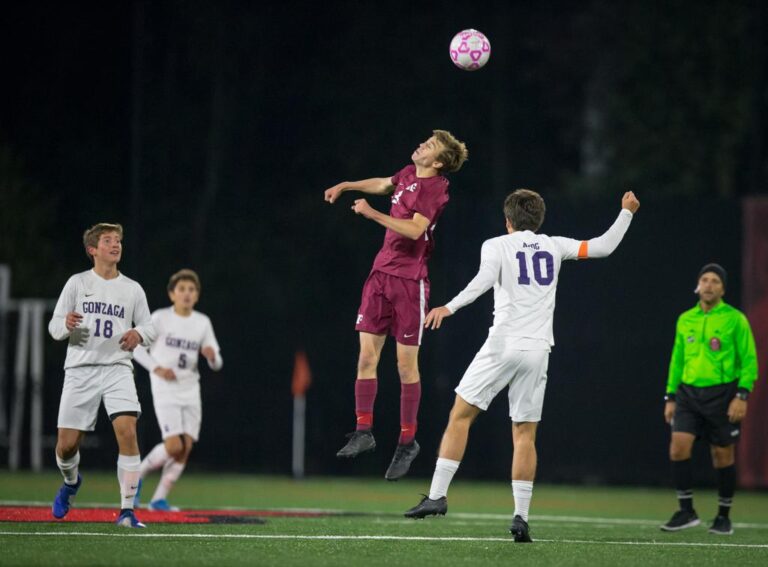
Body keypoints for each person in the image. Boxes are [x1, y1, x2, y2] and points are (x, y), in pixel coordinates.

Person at [403, 189, 640, 543]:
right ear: (538, 219)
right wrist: (626, 213)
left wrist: (448, 307)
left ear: (508, 220)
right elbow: (603, 246)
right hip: (538, 349)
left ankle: (437, 495)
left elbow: (482, 282)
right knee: (525, 434)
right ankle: (521, 518)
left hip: (502, 344)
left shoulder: (496, 245)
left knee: (460, 416)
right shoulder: (555, 245)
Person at [324, 130, 469, 480]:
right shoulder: (407, 173)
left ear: (437, 162)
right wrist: (347, 184)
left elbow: (416, 230)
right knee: (365, 357)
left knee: (405, 366)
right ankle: (364, 431)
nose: (421, 144)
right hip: (380, 275)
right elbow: (384, 184)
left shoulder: (438, 189)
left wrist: (372, 215)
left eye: (429, 146)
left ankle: (407, 441)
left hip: (410, 281)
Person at [48, 222, 156, 528]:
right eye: (108, 240)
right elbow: (54, 326)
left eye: (118, 240)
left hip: (118, 369)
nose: (116, 245)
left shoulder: (132, 288)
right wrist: (65, 324)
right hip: (80, 371)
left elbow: (150, 326)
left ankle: (127, 512)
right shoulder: (77, 283)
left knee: (128, 432)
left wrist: (139, 334)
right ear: (92, 250)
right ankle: (70, 483)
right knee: (66, 447)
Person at [661, 263, 758, 535]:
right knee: (678, 448)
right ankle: (686, 511)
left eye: (715, 281)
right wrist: (670, 396)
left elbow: (749, 359)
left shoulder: (735, 319)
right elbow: (677, 360)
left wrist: (742, 395)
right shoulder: (686, 319)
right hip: (688, 394)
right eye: (705, 279)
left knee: (722, 454)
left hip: (723, 393)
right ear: (698, 285)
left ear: (723, 288)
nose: (709, 285)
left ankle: (723, 516)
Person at [132, 269, 223, 511]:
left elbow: (217, 362)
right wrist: (157, 368)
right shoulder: (160, 318)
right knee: (174, 446)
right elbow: (136, 348)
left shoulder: (202, 322)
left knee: (187, 446)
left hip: (190, 388)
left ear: (197, 295)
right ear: (172, 294)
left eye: (191, 290)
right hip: (165, 388)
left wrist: (212, 357)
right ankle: (137, 475)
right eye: (181, 289)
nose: (187, 294)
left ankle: (159, 499)